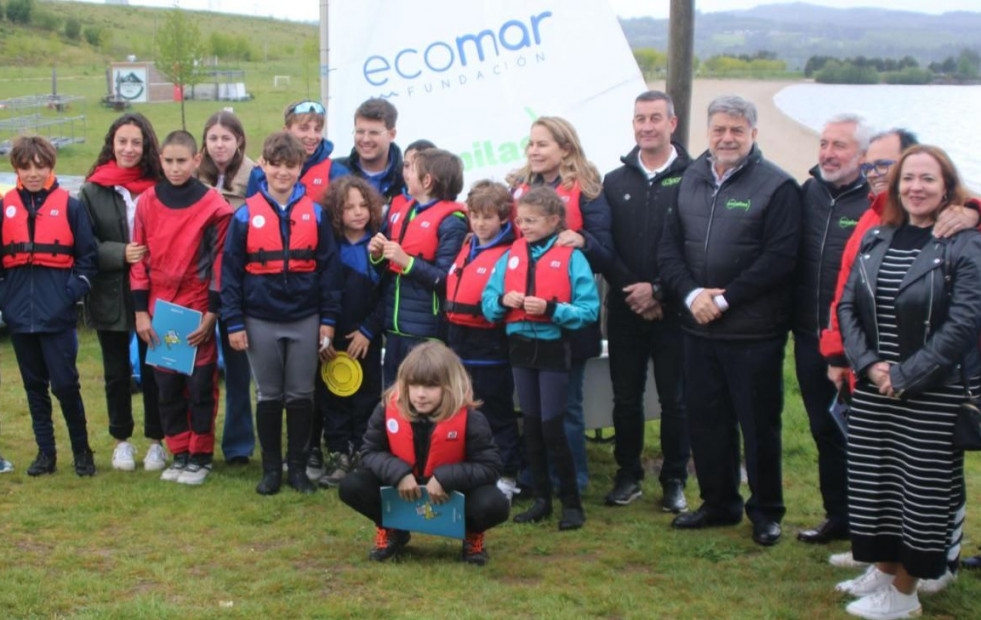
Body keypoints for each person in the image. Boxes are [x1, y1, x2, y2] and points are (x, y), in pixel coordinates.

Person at [818, 129, 979, 576]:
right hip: (874, 380)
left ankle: (926, 574)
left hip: (930, 386)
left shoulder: (963, 235)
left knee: (927, 489)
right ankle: (882, 570)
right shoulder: (877, 230)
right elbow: (847, 299)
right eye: (896, 175)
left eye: (925, 178)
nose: (911, 186)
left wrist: (906, 374)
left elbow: (964, 321)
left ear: (947, 185)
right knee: (877, 484)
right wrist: (862, 363)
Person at [659, 95, 802, 546]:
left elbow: (779, 258)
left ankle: (766, 512)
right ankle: (718, 503)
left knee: (759, 424)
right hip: (697, 326)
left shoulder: (777, 186)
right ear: (708, 131)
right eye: (720, 129)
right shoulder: (689, 178)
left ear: (753, 134)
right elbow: (668, 249)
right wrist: (692, 294)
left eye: (737, 130)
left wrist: (724, 300)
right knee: (706, 420)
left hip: (753, 331)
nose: (727, 138)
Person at [222, 132, 340, 495]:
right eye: (276, 165)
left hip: (304, 317)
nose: (283, 173)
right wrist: (234, 321)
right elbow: (230, 274)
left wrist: (329, 321)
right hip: (260, 318)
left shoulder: (316, 214)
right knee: (269, 396)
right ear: (265, 166)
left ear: (300, 168)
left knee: (302, 394)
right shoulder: (245, 215)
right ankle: (272, 469)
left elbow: (329, 271)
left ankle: (299, 468)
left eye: (291, 166)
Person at [482, 186, 600, 531]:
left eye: (532, 221)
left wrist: (551, 309)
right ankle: (542, 500)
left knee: (553, 426)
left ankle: (572, 504)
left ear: (553, 220)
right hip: (519, 347)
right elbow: (489, 301)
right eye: (521, 221)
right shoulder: (512, 254)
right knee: (531, 426)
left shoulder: (572, 257)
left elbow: (588, 309)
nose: (525, 227)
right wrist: (505, 300)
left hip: (552, 348)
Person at [508, 116, 615, 492]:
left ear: (565, 149)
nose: (534, 151)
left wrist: (582, 238)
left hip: (569, 320)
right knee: (532, 406)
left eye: (543, 144)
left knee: (566, 406)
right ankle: (536, 477)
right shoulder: (517, 187)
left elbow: (606, 251)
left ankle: (573, 480)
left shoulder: (587, 190)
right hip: (524, 318)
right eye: (531, 144)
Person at [338, 341, 510, 565]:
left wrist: (445, 478)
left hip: (451, 493)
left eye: (430, 386)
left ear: (448, 385)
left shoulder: (471, 419)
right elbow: (369, 452)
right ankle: (392, 528)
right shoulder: (386, 409)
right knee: (352, 485)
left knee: (494, 504)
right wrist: (398, 474)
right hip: (401, 491)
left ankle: (472, 535)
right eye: (414, 386)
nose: (420, 394)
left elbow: (490, 466)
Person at [602, 90, 691, 512]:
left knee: (675, 399)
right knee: (625, 397)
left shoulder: (694, 176)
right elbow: (605, 246)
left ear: (672, 123)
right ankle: (627, 474)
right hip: (624, 308)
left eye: (655, 118)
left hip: (675, 310)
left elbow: (695, 247)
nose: (647, 126)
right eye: (640, 118)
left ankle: (674, 479)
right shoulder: (614, 180)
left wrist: (658, 290)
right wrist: (634, 292)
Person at [132, 130, 232, 485]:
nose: (175, 168)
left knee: (201, 386)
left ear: (196, 159)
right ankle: (180, 452)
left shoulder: (214, 206)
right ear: (160, 160)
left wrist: (212, 312)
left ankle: (202, 455)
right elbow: (138, 259)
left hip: (197, 304)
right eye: (169, 161)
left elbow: (221, 263)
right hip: (160, 308)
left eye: (182, 161)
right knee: (167, 386)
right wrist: (141, 310)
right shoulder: (145, 203)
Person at [793, 113, 872, 545]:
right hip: (809, 335)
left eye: (839, 145)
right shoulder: (808, 193)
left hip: (861, 343)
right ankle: (838, 517)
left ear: (863, 154)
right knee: (825, 430)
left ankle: (871, 525)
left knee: (865, 435)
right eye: (824, 144)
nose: (828, 153)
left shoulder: (877, 201)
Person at [1, 136, 98, 476]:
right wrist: (5, 300)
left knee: (66, 386)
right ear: (17, 168)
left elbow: (88, 258)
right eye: (26, 166)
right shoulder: (5, 206)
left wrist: (69, 293)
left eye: (40, 165)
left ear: (50, 166)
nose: (33, 173)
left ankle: (82, 452)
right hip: (19, 317)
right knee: (34, 388)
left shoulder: (70, 207)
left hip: (57, 316)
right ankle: (46, 453)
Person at [80, 113, 167, 472]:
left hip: (154, 290)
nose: (129, 149)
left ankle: (157, 441)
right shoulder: (92, 189)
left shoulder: (160, 184)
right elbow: (84, 245)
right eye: (122, 142)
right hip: (110, 292)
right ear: (111, 144)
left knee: (156, 369)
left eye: (136, 142)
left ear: (146, 146)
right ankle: (121, 441)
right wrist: (120, 253)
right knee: (117, 371)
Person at [445, 180, 521, 501]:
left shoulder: (510, 252)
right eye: (475, 216)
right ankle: (469, 469)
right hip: (459, 341)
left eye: (487, 217)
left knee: (497, 412)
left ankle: (507, 474)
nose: (480, 223)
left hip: (491, 344)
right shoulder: (468, 244)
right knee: (461, 410)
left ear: (504, 218)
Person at [369, 148, 468, 385]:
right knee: (393, 394)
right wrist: (377, 254)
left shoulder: (452, 222)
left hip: (426, 332)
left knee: (423, 395)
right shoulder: (408, 211)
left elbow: (447, 280)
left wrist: (407, 262)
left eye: (411, 169)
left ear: (427, 181)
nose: (406, 174)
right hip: (395, 326)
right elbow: (388, 269)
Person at [312, 176, 385, 488]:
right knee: (333, 395)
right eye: (349, 207)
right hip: (332, 339)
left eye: (363, 205)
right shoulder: (329, 247)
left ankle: (363, 454)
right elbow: (319, 291)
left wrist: (368, 331)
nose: (358, 212)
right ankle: (339, 453)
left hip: (365, 340)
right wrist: (323, 333)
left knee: (367, 396)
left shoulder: (379, 247)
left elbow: (387, 296)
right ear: (335, 212)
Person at [197, 110, 256, 466]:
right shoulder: (191, 178)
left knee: (238, 374)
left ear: (239, 142)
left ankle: (238, 446)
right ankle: (195, 442)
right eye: (213, 138)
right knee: (198, 372)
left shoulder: (255, 179)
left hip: (238, 290)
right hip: (200, 288)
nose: (220, 145)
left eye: (226, 138)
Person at [246, 100, 350, 204]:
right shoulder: (261, 172)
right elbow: (250, 213)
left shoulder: (336, 173)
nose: (312, 136)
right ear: (286, 131)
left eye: (317, 129)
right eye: (304, 129)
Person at [336, 98, 405, 202]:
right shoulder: (335, 171)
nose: (365, 139)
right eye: (360, 132)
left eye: (374, 133)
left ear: (392, 134)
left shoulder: (406, 177)